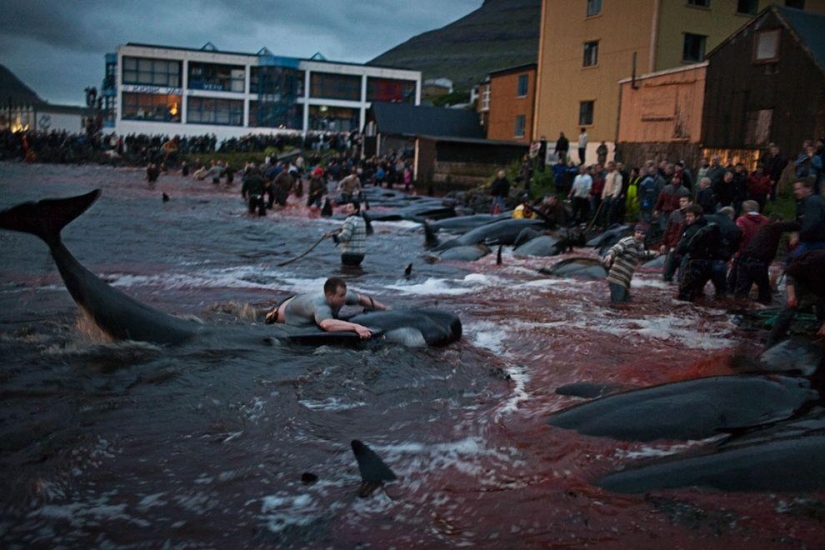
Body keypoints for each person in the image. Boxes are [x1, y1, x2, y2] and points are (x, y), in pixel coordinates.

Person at [264, 277, 388, 339]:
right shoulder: (320, 304)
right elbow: (326, 325)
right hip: (279, 313)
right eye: (341, 296)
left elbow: (361, 299)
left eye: (345, 294)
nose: (345, 298)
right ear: (329, 295)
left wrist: (383, 307)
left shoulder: (342, 295)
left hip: (298, 301)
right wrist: (355, 326)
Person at [766, 250, 825, 347]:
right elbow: (791, 272)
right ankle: (772, 341)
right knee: (789, 309)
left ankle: (818, 333)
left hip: (820, 289)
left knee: (821, 308)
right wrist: (791, 296)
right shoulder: (816, 260)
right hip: (801, 280)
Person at [676, 205, 727, 302]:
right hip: (714, 263)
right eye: (686, 216)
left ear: (698, 216)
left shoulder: (693, 230)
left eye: (690, 216)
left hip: (696, 264)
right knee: (718, 294)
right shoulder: (712, 226)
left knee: (685, 293)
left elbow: (682, 247)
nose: (687, 219)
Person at [603, 224, 657, 304]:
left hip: (625, 280)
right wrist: (610, 255)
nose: (639, 235)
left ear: (645, 235)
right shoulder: (628, 241)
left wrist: (652, 253)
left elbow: (638, 254)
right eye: (638, 232)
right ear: (634, 233)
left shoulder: (640, 245)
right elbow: (617, 248)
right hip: (616, 278)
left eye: (642, 233)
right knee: (617, 305)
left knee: (626, 303)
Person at [326, 201, 367, 266]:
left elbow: (345, 237)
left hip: (349, 254)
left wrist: (332, 236)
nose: (347, 209)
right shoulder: (362, 220)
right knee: (355, 273)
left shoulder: (349, 220)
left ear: (356, 210)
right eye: (347, 207)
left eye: (350, 207)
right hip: (360, 255)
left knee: (346, 273)